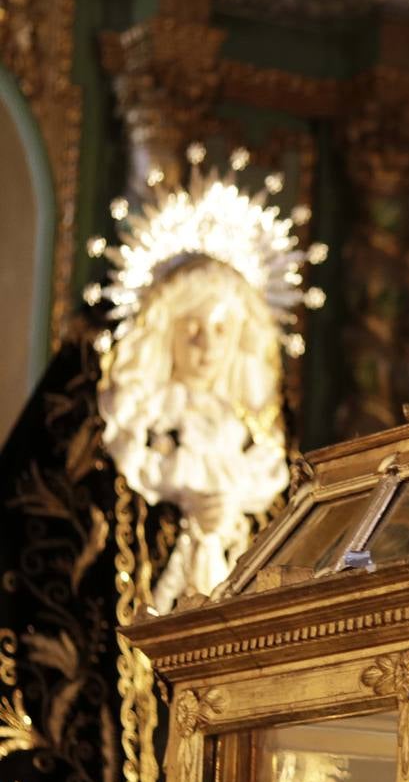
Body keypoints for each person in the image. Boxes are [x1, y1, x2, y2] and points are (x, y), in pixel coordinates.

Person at [99, 256, 290, 611]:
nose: (208, 347)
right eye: (191, 329)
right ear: (165, 330)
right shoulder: (133, 424)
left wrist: (228, 521)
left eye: (222, 329)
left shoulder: (255, 443)